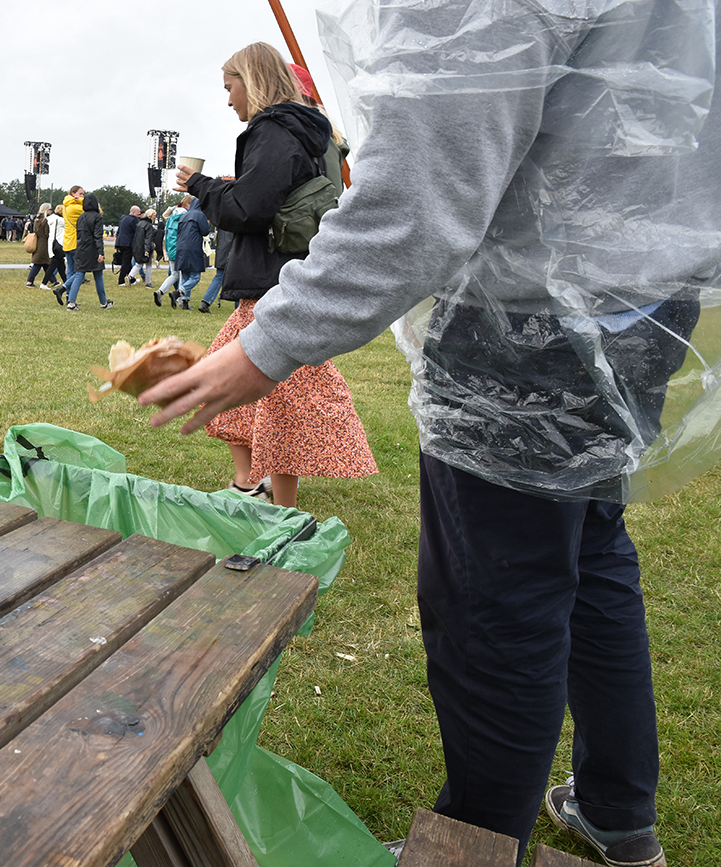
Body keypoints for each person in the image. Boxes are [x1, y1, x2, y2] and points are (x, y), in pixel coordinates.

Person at [143, 9, 721, 864]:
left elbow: (420, 193)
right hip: (635, 300)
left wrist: (263, 350)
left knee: (498, 605)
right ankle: (617, 809)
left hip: (530, 322)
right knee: (594, 556)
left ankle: (473, 845)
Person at [177, 43, 375, 508]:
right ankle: (249, 485)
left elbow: (248, 209)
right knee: (246, 387)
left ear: (253, 79)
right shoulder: (305, 132)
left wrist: (201, 186)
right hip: (279, 277)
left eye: (230, 87)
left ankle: (278, 505)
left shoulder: (271, 131)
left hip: (270, 283)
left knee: (286, 397)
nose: (228, 100)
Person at [59, 193, 113, 311]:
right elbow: (97, 236)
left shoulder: (81, 217)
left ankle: (71, 302)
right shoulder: (97, 217)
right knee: (98, 275)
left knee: (79, 274)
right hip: (93, 249)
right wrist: (101, 252)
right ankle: (103, 302)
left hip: (80, 248)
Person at [169, 197, 210, 310]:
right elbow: (205, 231)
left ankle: (185, 303)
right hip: (193, 247)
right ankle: (178, 292)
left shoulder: (183, 216)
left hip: (181, 247)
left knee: (186, 274)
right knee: (195, 276)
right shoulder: (199, 215)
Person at [153, 200, 187, 301]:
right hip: (180, 248)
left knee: (174, 274)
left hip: (170, 249)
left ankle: (160, 291)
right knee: (182, 275)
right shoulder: (185, 218)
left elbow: (165, 214)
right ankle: (180, 299)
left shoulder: (170, 219)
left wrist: (174, 208)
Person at [26, 203, 55, 288]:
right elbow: (47, 233)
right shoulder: (45, 220)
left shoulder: (36, 219)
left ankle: (53, 281)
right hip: (44, 243)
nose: (51, 211)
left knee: (45, 263)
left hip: (38, 241)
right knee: (38, 263)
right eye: (50, 209)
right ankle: (30, 281)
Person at [129, 207, 156, 288]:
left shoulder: (140, 223)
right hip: (146, 247)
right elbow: (148, 238)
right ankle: (148, 283)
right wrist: (147, 249)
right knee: (148, 265)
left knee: (138, 264)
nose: (155, 217)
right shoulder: (149, 225)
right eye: (154, 215)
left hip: (138, 247)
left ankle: (130, 276)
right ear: (151, 216)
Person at [114, 205, 140, 285]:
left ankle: (131, 279)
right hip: (128, 243)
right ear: (133, 212)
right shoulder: (134, 220)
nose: (139, 215)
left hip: (121, 242)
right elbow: (137, 232)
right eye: (138, 213)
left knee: (127, 262)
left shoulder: (123, 219)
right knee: (126, 262)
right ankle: (121, 280)